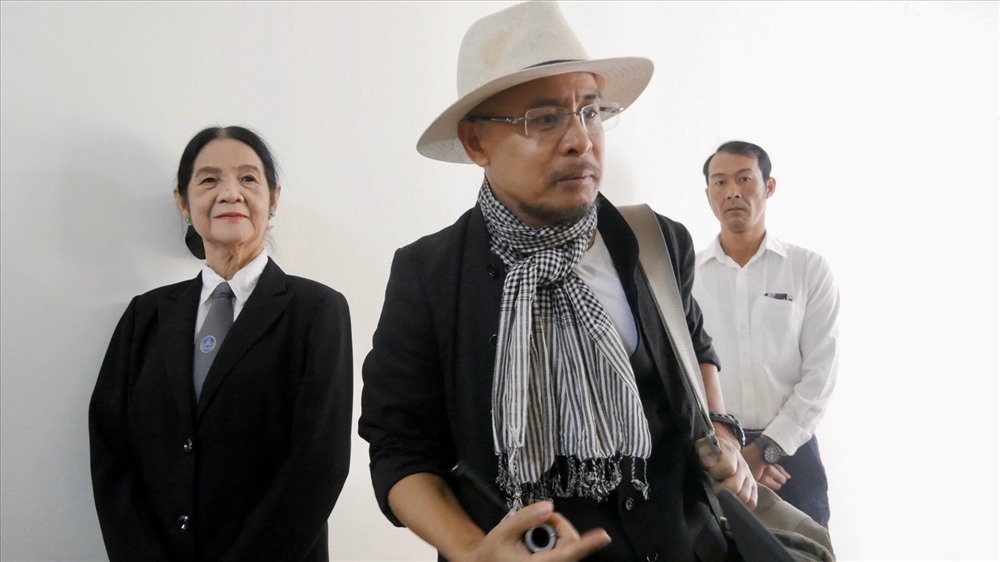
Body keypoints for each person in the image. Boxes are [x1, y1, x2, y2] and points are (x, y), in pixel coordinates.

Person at [358, 3, 756, 561]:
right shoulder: (430, 275)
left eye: (590, 111)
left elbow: (696, 348)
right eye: (544, 119)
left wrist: (721, 432)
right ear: (476, 143)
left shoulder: (655, 242)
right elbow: (400, 450)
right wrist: (473, 552)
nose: (580, 140)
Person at [89, 126, 353, 562]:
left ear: (273, 199)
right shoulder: (145, 316)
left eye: (248, 178)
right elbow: (112, 453)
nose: (230, 193)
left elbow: (319, 462)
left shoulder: (316, 310)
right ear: (183, 201)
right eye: (209, 180)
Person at [693, 140, 839, 528]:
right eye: (720, 182)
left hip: (791, 456)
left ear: (769, 186)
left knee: (805, 551)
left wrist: (763, 451)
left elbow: (820, 376)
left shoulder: (808, 269)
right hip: (715, 455)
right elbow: (684, 373)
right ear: (708, 193)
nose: (732, 192)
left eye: (744, 179)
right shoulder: (686, 276)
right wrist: (730, 452)